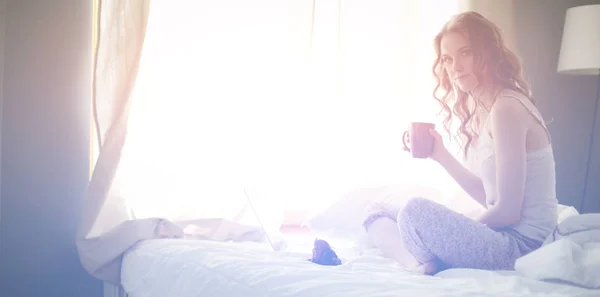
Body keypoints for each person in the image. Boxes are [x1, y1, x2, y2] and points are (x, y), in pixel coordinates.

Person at [363, 11, 558, 275]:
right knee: (376, 211)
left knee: (413, 210)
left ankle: (425, 259)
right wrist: (440, 154)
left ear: (488, 52)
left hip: (521, 247)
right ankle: (419, 265)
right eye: (447, 59)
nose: (455, 67)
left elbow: (509, 212)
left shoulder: (506, 108)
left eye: (465, 53)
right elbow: (494, 199)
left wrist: (459, 227)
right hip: (503, 238)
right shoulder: (488, 108)